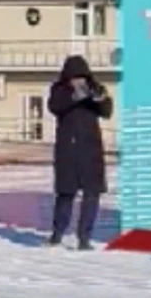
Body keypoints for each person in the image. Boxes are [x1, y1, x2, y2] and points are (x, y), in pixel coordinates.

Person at [46, 55, 111, 250]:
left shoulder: (95, 88)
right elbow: (55, 106)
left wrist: (100, 99)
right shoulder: (59, 90)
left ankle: (85, 237)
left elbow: (106, 111)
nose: (78, 81)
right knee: (66, 194)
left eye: (81, 77)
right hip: (68, 149)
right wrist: (74, 96)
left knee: (92, 194)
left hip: (91, 150)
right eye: (74, 77)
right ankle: (57, 234)